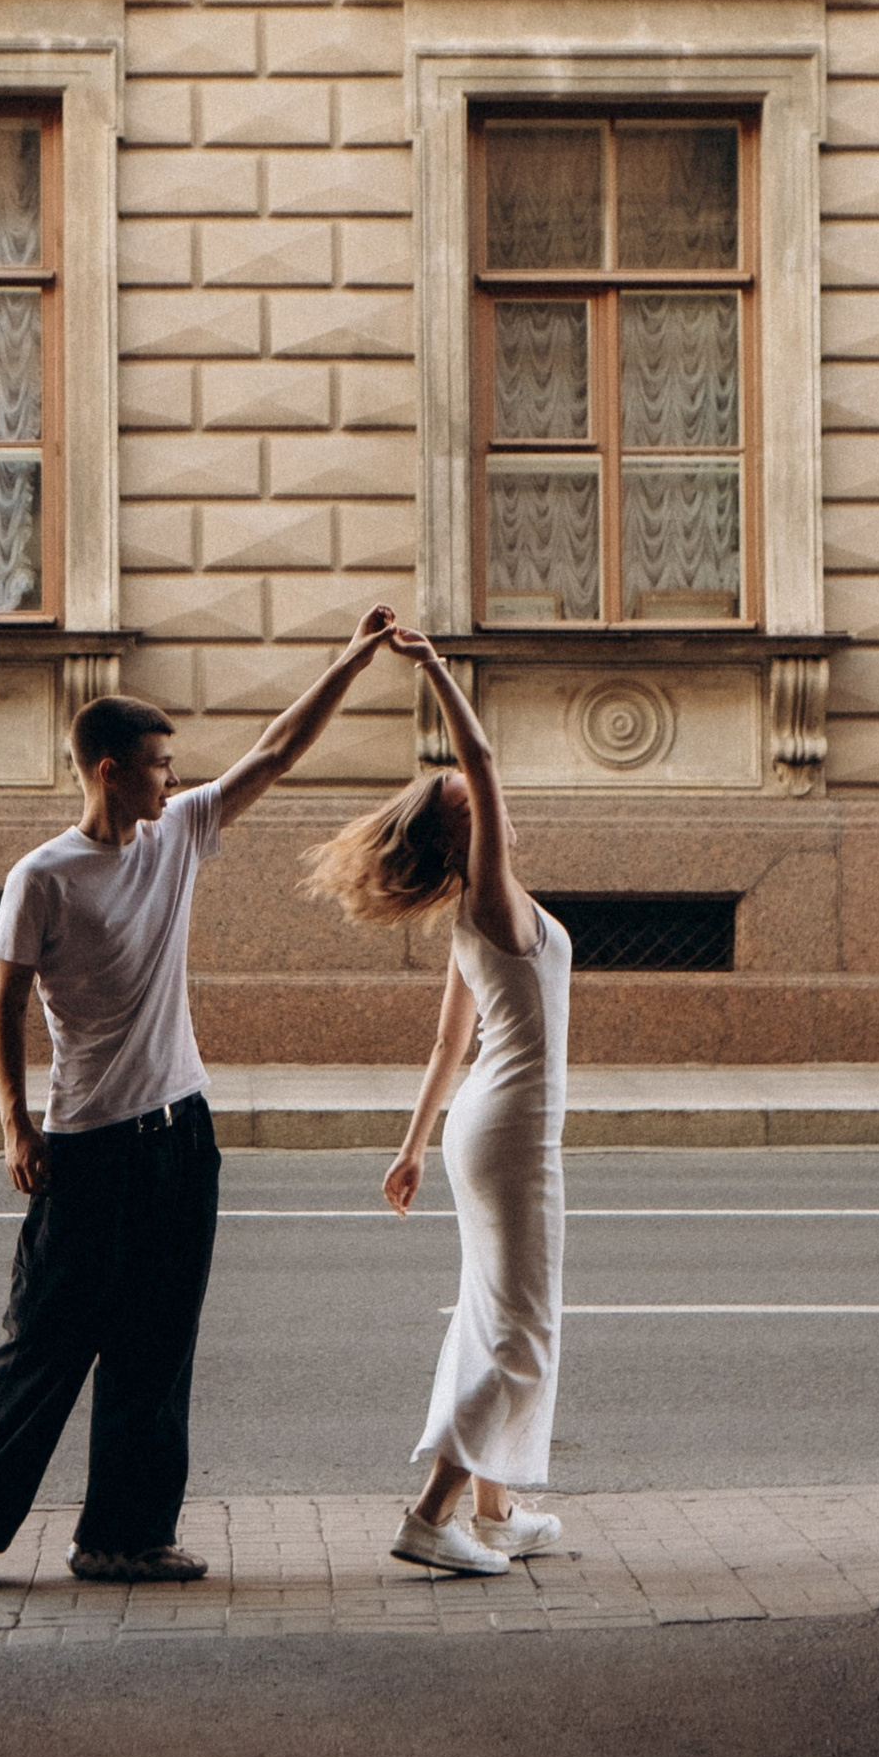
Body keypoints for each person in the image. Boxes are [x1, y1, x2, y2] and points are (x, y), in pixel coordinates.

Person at [0, 609, 400, 1591]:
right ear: (107, 770)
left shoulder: (177, 832)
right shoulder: (42, 877)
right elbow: (3, 1000)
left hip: (182, 1138)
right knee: (45, 1344)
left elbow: (276, 750)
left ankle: (123, 1538)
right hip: (86, 1145)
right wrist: (14, 1123)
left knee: (156, 1346)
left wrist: (350, 659)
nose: (173, 778)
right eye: (157, 764)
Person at [306, 628, 570, 1577]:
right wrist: (431, 670)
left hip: (482, 1126)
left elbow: (448, 1042)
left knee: (489, 1313)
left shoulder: (478, 912)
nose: (487, 800)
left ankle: (497, 1513)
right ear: (466, 833)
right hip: (513, 1131)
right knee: (521, 1332)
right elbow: (483, 759)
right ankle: (433, 1514)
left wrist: (413, 1145)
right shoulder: (490, 898)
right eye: (470, 805)